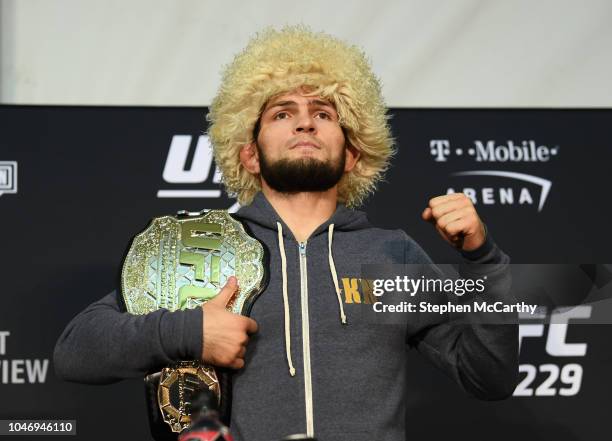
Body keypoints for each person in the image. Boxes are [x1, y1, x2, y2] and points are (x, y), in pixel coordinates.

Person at [54, 26, 518, 441]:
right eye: (281, 113)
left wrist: (484, 259)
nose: (304, 122)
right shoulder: (199, 246)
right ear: (250, 155)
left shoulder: (391, 254)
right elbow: (75, 351)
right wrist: (189, 330)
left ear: (353, 154)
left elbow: (490, 378)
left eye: (324, 113)